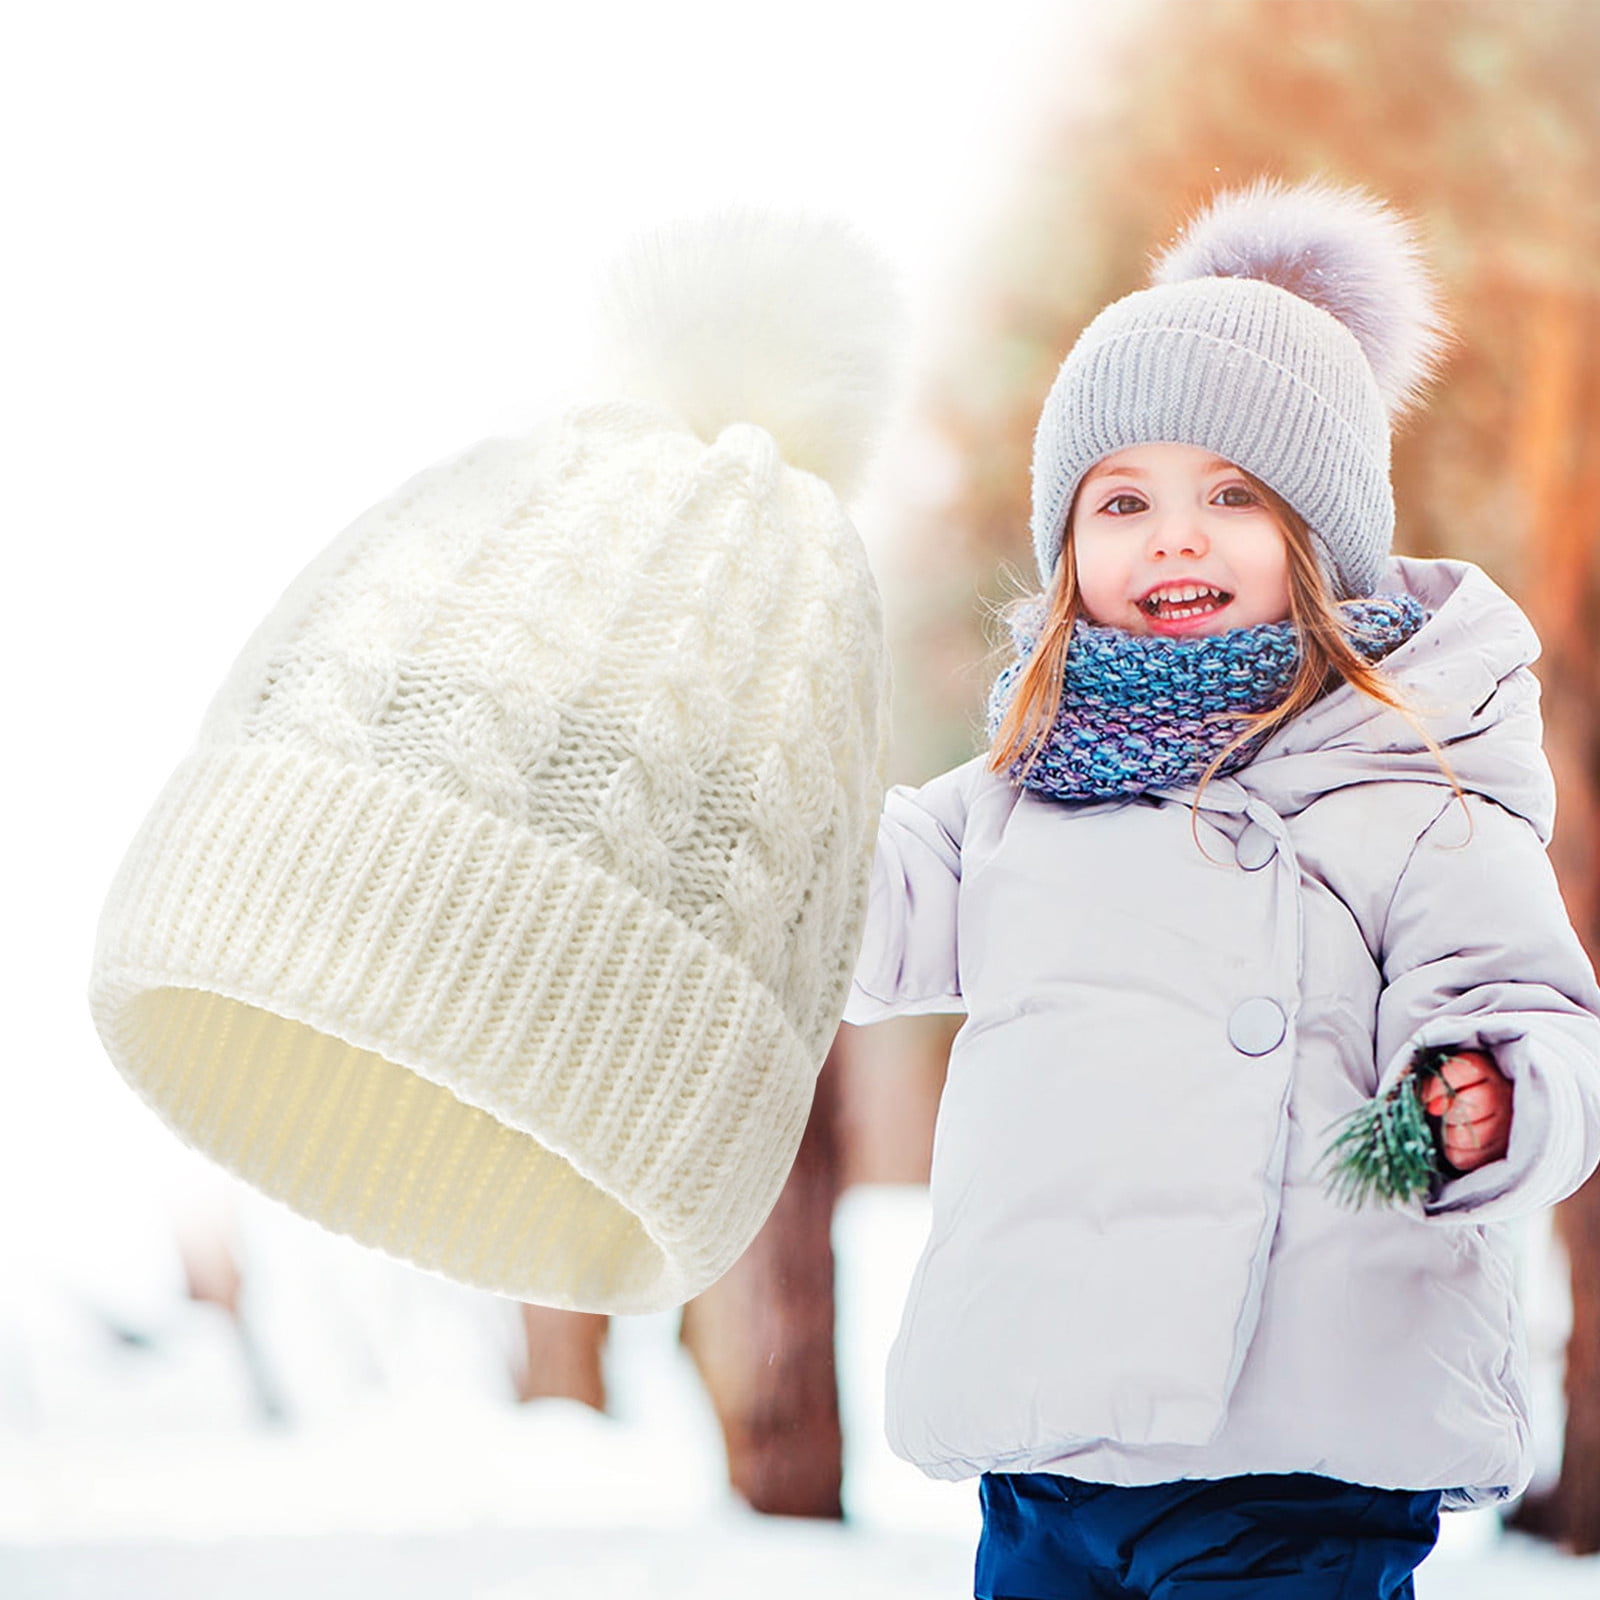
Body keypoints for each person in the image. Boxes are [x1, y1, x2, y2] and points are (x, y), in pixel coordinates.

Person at [844, 180, 1600, 1599]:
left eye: (1232, 497)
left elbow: (1535, 1014)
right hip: (1050, 1453)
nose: (1173, 537)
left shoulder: (1410, 794)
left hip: (1291, 1467)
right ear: (1069, 549)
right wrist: (754, 815)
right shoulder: (1018, 797)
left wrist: (1491, 1092)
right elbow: (852, 908)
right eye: (1122, 500)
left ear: (1323, 537)